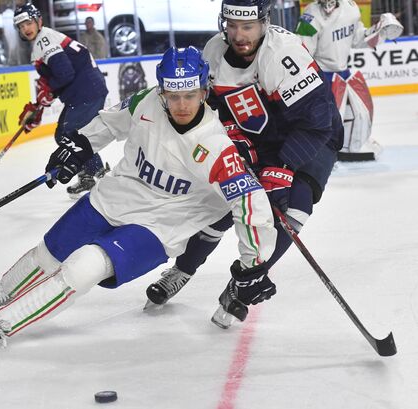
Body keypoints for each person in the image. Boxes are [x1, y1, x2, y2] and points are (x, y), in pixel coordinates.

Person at [0, 46, 278, 354]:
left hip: (160, 226)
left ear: (203, 92)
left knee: (84, 268)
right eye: (173, 96)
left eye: (190, 96)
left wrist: (253, 265)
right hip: (115, 198)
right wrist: (81, 145)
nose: (182, 105)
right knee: (48, 253)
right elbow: (111, 122)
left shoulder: (215, 146)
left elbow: (251, 204)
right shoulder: (147, 101)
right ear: (162, 91)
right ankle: (2, 291)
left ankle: (0, 326)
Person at [144, 0, 344, 328]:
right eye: (232, 25)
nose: (239, 34)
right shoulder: (212, 52)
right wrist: (235, 139)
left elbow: (317, 120)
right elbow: (214, 110)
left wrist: (283, 165)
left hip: (310, 135)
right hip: (258, 138)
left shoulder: (283, 53)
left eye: (248, 26)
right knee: (226, 202)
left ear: (264, 23)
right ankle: (182, 269)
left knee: (296, 206)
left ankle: (245, 283)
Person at [14, 3, 110, 199]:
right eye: (21, 26)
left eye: (28, 23)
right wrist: (40, 105)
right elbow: (59, 77)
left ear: (39, 21)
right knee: (67, 135)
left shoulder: (44, 39)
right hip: (85, 91)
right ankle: (92, 175)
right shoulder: (45, 39)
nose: (26, 28)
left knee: (70, 136)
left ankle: (100, 177)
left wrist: (48, 93)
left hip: (86, 92)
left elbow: (65, 74)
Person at [294, 0, 403, 161]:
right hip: (321, 75)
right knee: (323, 119)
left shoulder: (351, 8)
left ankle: (345, 146)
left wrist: (379, 32)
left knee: (358, 114)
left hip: (343, 74)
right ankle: (320, 153)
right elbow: (302, 51)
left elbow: (358, 39)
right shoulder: (310, 15)